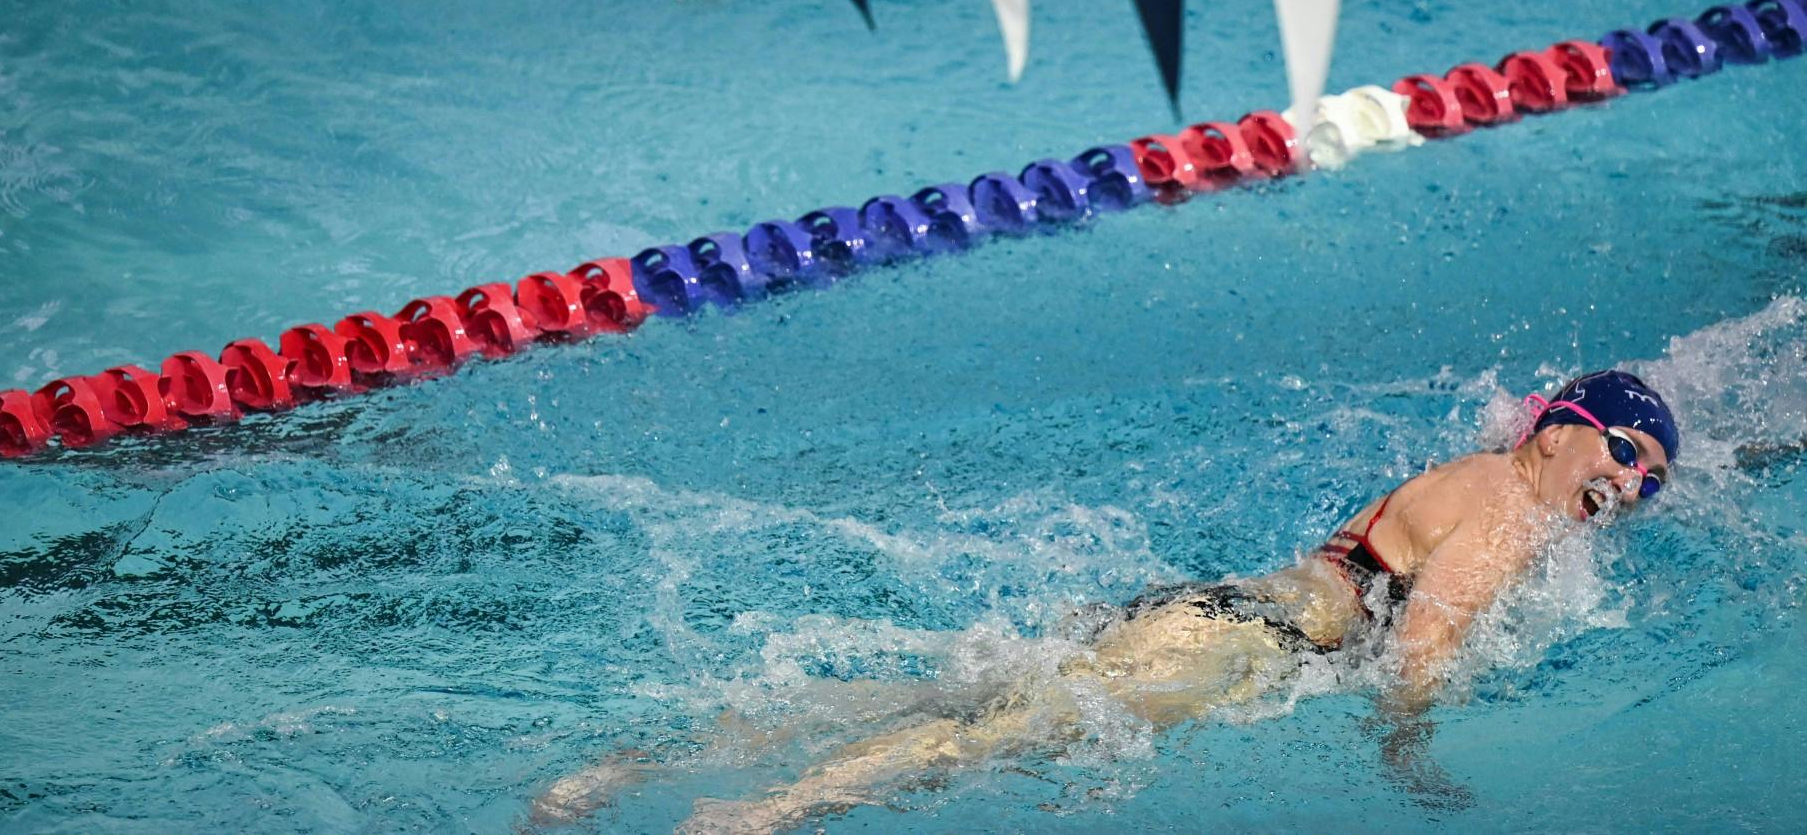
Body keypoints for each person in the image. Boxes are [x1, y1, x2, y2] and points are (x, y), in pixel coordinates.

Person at [534, 369, 1679, 833]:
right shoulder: (1509, 509)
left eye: (1650, 482)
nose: (1626, 483)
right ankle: (741, 820)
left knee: (950, 695)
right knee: (970, 738)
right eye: (1621, 449)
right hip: (1240, 641)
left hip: (1205, 609)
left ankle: (623, 770)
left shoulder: (1479, 474)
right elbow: (1423, 636)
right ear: (1556, 426)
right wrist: (1407, 744)